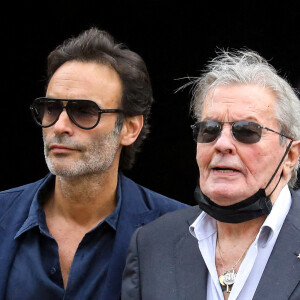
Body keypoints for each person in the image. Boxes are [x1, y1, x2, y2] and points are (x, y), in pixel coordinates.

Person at [0, 28, 187, 300]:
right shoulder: (4, 215)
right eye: (51, 108)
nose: (60, 126)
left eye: (84, 111)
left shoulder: (180, 232)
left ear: (130, 128)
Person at [122, 49, 300, 300]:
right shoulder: (150, 244)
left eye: (246, 130)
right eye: (210, 130)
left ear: (290, 156)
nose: (222, 143)